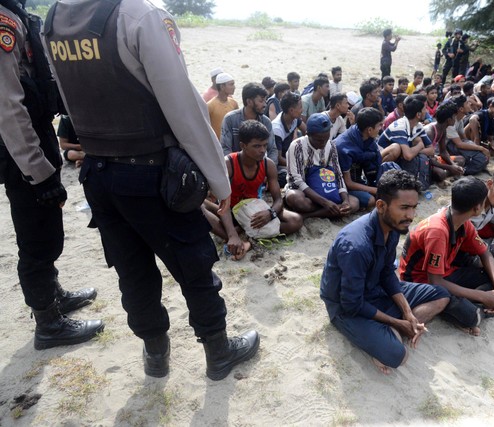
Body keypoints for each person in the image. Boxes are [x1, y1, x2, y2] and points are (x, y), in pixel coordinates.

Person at [43, 0, 258, 379]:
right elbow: (184, 107)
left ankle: (155, 355)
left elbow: (70, 100)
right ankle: (218, 352)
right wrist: (218, 179)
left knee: (132, 270)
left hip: (98, 172)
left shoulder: (55, 19)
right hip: (150, 174)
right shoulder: (139, 15)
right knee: (193, 265)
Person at [0, 0, 102, 351]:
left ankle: (53, 295)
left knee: (45, 229)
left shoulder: (14, 16)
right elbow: (7, 108)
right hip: (22, 150)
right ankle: (48, 323)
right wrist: (38, 172)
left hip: (35, 136)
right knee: (36, 239)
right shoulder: (4, 22)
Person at [320, 170, 451, 374]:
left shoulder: (391, 228)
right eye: (404, 208)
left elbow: (387, 274)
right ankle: (392, 331)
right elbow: (351, 303)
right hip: (346, 307)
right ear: (381, 206)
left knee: (442, 296)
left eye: (414, 208)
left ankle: (397, 329)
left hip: (375, 290)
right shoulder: (356, 245)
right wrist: (397, 322)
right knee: (398, 356)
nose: (411, 216)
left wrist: (407, 313)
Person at [399, 177, 494, 336]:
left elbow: (484, 253)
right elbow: (435, 282)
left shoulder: (464, 222)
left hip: (446, 273)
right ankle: (480, 308)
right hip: (421, 282)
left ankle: (485, 303)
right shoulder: (437, 231)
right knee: (472, 317)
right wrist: (482, 295)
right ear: (478, 207)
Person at [203, 121, 303, 260]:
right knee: (200, 208)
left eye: (265, 145)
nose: (262, 150)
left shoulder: (268, 164)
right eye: (257, 146)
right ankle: (236, 236)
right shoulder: (229, 164)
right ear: (243, 145)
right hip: (229, 210)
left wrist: (270, 213)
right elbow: (223, 203)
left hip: (254, 210)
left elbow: (278, 200)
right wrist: (232, 234)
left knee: (296, 220)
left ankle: (244, 239)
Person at [284, 113, 358, 218]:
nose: (323, 143)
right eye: (319, 140)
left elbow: (338, 175)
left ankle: (310, 215)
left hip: (326, 189)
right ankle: (329, 210)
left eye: (326, 138)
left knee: (354, 203)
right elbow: (297, 181)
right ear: (308, 134)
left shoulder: (331, 145)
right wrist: (324, 202)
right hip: (304, 192)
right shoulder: (297, 146)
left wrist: (345, 201)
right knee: (296, 199)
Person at [335, 107, 387, 210]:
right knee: (371, 200)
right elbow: (348, 183)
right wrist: (374, 189)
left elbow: (375, 159)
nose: (382, 128)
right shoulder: (344, 148)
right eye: (380, 125)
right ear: (369, 130)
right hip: (342, 185)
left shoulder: (367, 137)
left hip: (359, 179)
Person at [221, 82, 278, 164]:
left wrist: (267, 169)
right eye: (261, 101)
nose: (265, 104)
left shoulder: (266, 122)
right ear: (249, 101)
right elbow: (225, 148)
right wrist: (236, 169)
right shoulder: (230, 119)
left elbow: (272, 149)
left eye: (265, 100)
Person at [442, 95, 489, 176]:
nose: (470, 104)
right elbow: (459, 144)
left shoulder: (459, 119)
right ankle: (464, 170)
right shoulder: (450, 122)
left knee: (480, 154)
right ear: (461, 109)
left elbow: (464, 139)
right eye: (467, 103)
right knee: (480, 158)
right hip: (446, 147)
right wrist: (480, 148)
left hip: (454, 145)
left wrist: (476, 147)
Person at [272, 92, 306, 187]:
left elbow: (306, 132)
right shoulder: (277, 129)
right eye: (300, 107)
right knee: (286, 177)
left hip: (291, 156)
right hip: (280, 164)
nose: (301, 110)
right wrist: (297, 164)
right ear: (291, 110)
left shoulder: (294, 118)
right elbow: (278, 158)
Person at [207, 72, 238, 139]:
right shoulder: (210, 106)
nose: (234, 87)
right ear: (222, 87)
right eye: (231, 84)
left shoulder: (234, 103)